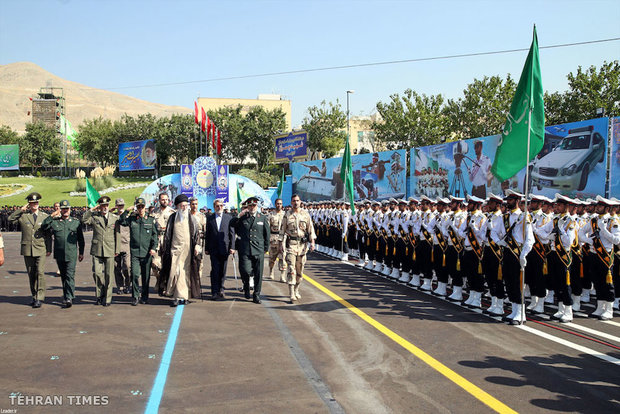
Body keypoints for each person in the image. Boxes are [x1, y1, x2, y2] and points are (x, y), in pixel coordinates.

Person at [8, 192, 52, 308]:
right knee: (31, 274)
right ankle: (34, 296)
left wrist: (49, 248)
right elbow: (10, 219)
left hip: (41, 248)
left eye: (36, 202)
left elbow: (48, 234)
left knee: (40, 273)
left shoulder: (44, 216)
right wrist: (21, 210)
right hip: (28, 249)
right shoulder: (23, 216)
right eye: (32, 203)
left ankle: (40, 297)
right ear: (29, 204)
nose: (34, 205)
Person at [159, 194, 202, 307]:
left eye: (185, 205)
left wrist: (197, 246)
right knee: (176, 272)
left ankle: (185, 296)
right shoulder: (172, 218)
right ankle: (176, 296)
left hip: (188, 250)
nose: (184, 208)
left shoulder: (192, 218)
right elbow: (168, 235)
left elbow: (196, 234)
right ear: (177, 206)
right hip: (175, 249)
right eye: (182, 206)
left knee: (186, 273)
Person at [41, 200, 85, 308]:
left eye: (67, 209)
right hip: (59, 253)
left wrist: (81, 252)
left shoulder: (75, 222)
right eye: (63, 209)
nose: (65, 211)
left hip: (71, 253)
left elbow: (81, 239)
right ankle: (67, 295)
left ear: (70, 210)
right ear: (60, 210)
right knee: (64, 277)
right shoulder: (55, 221)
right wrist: (52, 216)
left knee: (70, 275)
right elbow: (43, 226)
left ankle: (69, 297)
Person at [118, 197, 159, 306]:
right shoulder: (132, 219)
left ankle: (144, 297)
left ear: (145, 207)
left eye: (142, 207)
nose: (140, 209)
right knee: (135, 275)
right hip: (135, 252)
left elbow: (155, 236)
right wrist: (127, 210)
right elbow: (121, 221)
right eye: (138, 207)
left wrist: (154, 248)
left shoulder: (150, 220)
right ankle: (135, 296)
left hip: (147, 253)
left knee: (146, 277)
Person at [82, 196, 120, 306]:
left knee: (109, 275)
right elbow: (84, 220)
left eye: (106, 205)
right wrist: (92, 210)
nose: (105, 207)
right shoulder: (95, 217)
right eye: (103, 206)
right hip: (97, 249)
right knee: (97, 273)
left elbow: (117, 234)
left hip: (110, 249)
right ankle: (99, 295)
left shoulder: (114, 218)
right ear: (100, 207)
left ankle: (107, 298)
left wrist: (117, 249)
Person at [232, 196, 270, 304]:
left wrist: (266, 248)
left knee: (258, 273)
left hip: (258, 249)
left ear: (257, 206)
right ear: (247, 206)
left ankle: (256, 294)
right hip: (245, 250)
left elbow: (266, 234)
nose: (252, 207)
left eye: (254, 205)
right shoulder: (243, 217)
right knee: (245, 270)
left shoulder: (262, 218)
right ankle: (246, 284)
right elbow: (232, 224)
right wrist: (239, 215)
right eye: (250, 205)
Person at [279, 194, 315, 303]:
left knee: (300, 272)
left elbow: (310, 230)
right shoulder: (287, 215)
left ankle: (296, 289)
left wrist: (312, 242)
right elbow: (282, 230)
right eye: (294, 201)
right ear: (291, 202)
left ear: (300, 202)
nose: (296, 202)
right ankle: (291, 293)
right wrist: (281, 244)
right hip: (291, 245)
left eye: (297, 201)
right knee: (291, 269)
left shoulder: (305, 215)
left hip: (302, 246)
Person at [205, 198, 235, 300]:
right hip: (213, 248)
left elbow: (232, 234)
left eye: (221, 206)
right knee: (214, 270)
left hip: (225, 248)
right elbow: (207, 234)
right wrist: (206, 248)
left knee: (223, 270)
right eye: (217, 206)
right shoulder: (210, 218)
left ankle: (221, 289)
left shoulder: (228, 218)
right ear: (214, 207)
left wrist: (232, 247)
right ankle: (214, 291)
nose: (219, 207)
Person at [151, 193, 175, 296]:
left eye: (166, 199)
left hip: (167, 240)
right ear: (159, 200)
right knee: (155, 264)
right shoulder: (153, 212)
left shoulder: (172, 212)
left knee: (167, 264)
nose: (164, 201)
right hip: (157, 239)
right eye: (162, 199)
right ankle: (159, 280)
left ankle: (165, 284)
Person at [112, 198, 131, 294]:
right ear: (116, 206)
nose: (120, 207)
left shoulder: (128, 216)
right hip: (115, 245)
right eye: (119, 205)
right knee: (117, 267)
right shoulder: (112, 216)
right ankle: (120, 286)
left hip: (126, 244)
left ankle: (128, 284)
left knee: (127, 267)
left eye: (122, 205)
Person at [267, 198, 287, 282]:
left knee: (283, 257)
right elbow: (267, 227)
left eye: (280, 203)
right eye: (278, 203)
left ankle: (282, 275)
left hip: (282, 238)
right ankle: (271, 271)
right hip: (273, 238)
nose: (279, 205)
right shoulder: (271, 215)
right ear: (275, 204)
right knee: (272, 258)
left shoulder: (285, 215)